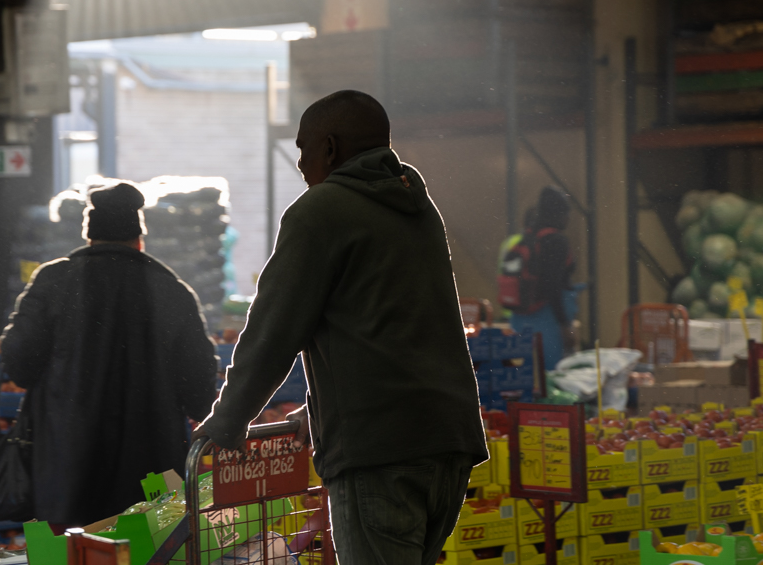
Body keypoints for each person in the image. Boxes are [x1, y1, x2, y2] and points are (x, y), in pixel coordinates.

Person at [195, 90, 488, 565]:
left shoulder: (321, 213)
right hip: (447, 446)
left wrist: (229, 419)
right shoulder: (416, 205)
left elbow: (273, 332)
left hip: (379, 456)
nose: (300, 164)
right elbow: (395, 328)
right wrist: (319, 412)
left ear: (330, 148)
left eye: (303, 149)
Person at [0, 182, 217, 528]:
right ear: (139, 238)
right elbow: (201, 392)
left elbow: (18, 364)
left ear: (90, 236)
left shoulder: (52, 281)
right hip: (153, 479)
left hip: (65, 474)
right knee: (153, 553)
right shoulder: (173, 291)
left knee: (74, 555)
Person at [509, 186, 577, 370]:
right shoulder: (556, 241)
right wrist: (565, 326)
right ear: (557, 214)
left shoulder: (527, 238)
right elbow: (553, 286)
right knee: (549, 378)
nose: (567, 218)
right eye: (566, 213)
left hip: (520, 319)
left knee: (526, 374)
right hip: (547, 320)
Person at [496, 207, 537, 320]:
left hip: (508, 307)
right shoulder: (532, 245)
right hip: (527, 310)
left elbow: (501, 271)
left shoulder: (509, 242)